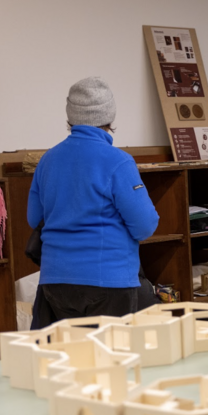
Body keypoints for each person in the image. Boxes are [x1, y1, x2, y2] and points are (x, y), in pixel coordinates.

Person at [27, 77, 159, 322]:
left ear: (71, 115)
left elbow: (35, 218)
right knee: (111, 348)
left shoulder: (48, 160)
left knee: (73, 347)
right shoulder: (118, 161)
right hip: (109, 281)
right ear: (109, 115)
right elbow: (144, 225)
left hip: (56, 281)